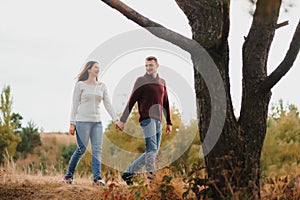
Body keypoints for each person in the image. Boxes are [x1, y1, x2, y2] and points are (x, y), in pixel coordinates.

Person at [116, 56, 172, 185]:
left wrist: (169, 122)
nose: (148, 68)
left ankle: (129, 174)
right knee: (151, 150)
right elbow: (132, 100)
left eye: (151, 65)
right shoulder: (141, 80)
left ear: (157, 66)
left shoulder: (162, 82)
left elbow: (165, 102)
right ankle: (152, 181)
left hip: (158, 120)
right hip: (147, 119)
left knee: (152, 151)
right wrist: (122, 120)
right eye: (146, 65)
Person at [62, 61, 119, 186]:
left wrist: (115, 119)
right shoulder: (80, 85)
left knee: (97, 150)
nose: (98, 69)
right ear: (89, 69)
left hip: (97, 123)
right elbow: (75, 104)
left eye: (99, 67)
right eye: (95, 67)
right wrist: (72, 123)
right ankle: (68, 176)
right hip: (82, 121)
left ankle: (97, 179)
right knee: (81, 149)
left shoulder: (102, 86)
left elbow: (108, 104)